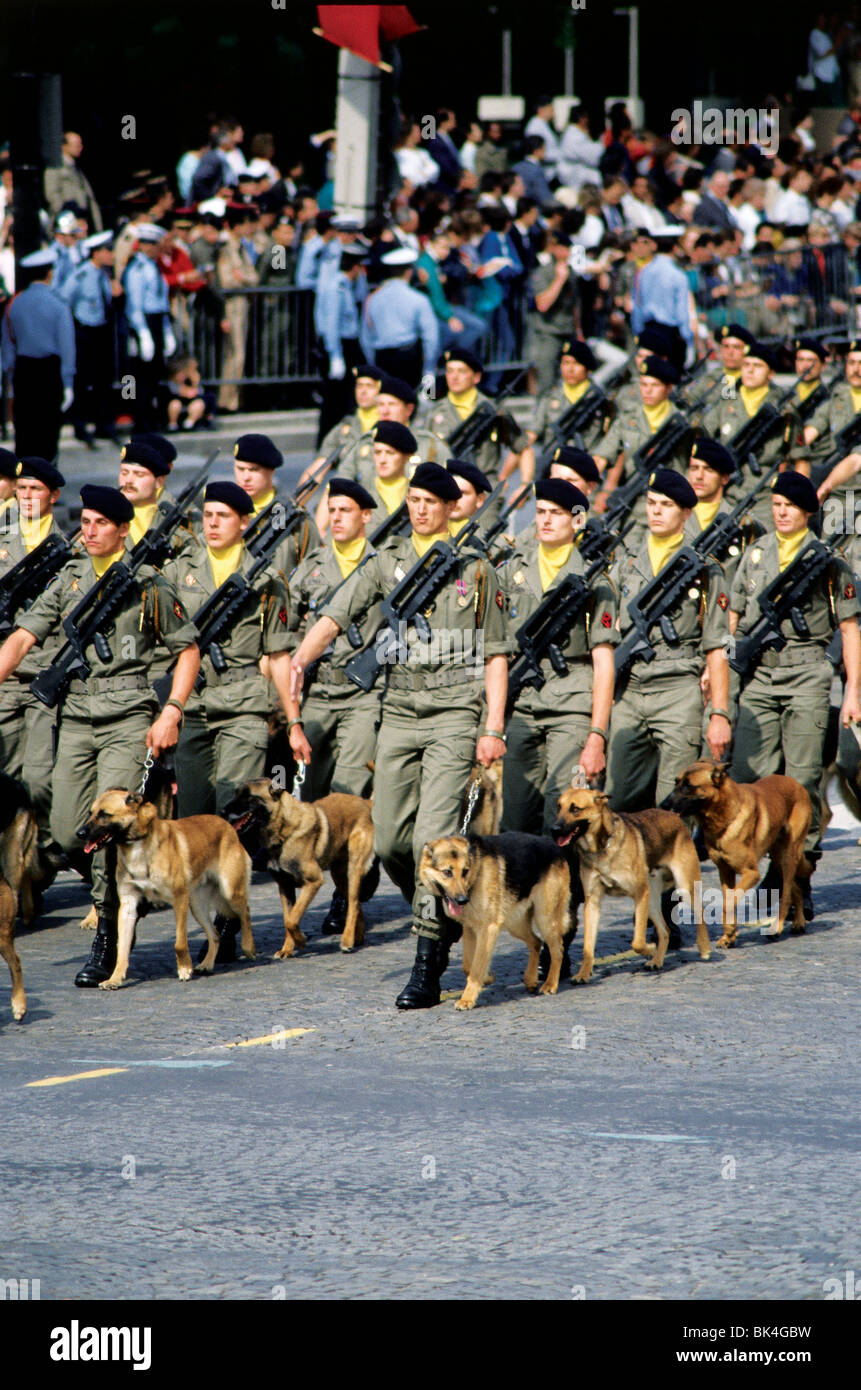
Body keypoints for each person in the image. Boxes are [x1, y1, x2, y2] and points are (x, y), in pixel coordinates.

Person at [289, 461, 509, 1010]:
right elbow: (337, 614)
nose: (419, 509)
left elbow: (498, 653)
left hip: (455, 711)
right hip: (400, 709)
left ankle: (427, 964)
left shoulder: (476, 568)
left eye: (430, 501)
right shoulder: (385, 562)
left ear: (449, 506)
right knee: (388, 841)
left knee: (429, 840)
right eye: (412, 500)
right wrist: (300, 659)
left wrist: (493, 728)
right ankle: (451, 902)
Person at [0, 484, 200, 986]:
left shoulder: (148, 582)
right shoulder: (69, 580)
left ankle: (107, 936)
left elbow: (188, 649)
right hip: (76, 716)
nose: (87, 531)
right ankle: (112, 899)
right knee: (69, 831)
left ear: (123, 529)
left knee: (108, 827)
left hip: (129, 714)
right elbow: (23, 636)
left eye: (99, 523)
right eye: (84, 521)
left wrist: (171, 711)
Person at [729, 471, 861, 918]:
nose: (781, 511)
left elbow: (849, 629)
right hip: (761, 676)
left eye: (790, 505)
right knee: (753, 777)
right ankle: (771, 868)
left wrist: (852, 692)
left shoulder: (828, 562)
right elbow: (735, 618)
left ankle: (798, 876)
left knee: (802, 781)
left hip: (807, 673)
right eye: (777, 503)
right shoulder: (755, 555)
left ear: (807, 511)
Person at [606, 468, 731, 814]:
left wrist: (719, 713)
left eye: (666, 505)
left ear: (686, 513)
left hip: (679, 692)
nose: (656, 511)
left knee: (673, 807)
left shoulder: (705, 569)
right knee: (619, 801)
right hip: (629, 692)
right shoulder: (625, 562)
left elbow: (717, 645)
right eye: (651, 503)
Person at [501, 477, 617, 837]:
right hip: (521, 704)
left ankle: (566, 893)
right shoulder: (511, 570)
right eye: (540, 512)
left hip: (572, 705)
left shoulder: (594, 580)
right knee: (516, 818)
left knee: (561, 812)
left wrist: (597, 736)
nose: (546, 520)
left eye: (556, 513)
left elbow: (603, 664)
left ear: (577, 521)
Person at [286, 475, 381, 804]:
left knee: (347, 792)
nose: (337, 517)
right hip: (317, 694)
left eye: (346, 510)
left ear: (366, 515)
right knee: (311, 795)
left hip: (364, 695)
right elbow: (286, 631)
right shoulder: (312, 567)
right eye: (332, 509)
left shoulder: (382, 566)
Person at [0, 456, 66, 839]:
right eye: (21, 488)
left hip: (44, 677)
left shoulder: (69, 547)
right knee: (6, 776)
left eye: (35, 489)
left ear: (53, 495)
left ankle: (39, 847)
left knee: (39, 779)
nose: (26, 496)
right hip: (7, 678)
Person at [702, 341, 806, 525]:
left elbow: (801, 460)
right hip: (729, 492)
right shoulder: (727, 402)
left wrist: (798, 499)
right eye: (746, 365)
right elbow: (704, 441)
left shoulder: (784, 410)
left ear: (771, 373)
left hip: (767, 496)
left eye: (757, 366)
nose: (750, 371)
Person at [593, 355, 690, 542]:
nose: (647, 391)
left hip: (671, 505)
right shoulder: (628, 418)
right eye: (644, 385)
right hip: (633, 502)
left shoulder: (681, 422)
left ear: (668, 388)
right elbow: (603, 454)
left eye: (654, 386)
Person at [0, 248, 75, 462]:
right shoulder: (58, 304)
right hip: (49, 371)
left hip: (24, 370)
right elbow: (67, 346)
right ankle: (44, 486)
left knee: (25, 431)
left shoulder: (15, 303)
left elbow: (8, 343)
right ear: (49, 273)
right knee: (48, 431)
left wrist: (10, 370)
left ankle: (24, 485)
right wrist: (68, 382)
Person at [58, 229, 119, 443]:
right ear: (96, 253)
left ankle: (104, 424)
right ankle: (80, 425)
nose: (111, 255)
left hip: (101, 330)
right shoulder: (81, 274)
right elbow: (65, 299)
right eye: (107, 250)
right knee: (82, 380)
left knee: (103, 379)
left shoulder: (104, 275)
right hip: (84, 331)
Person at [232, 432, 318, 576]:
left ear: (271, 471)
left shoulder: (295, 519)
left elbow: (315, 571)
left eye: (254, 470)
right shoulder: (223, 513)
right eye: (240, 469)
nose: (245, 477)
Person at [523, 339, 609, 473]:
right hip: (554, 465)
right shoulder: (550, 396)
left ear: (588, 367)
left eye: (577, 363)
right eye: (566, 363)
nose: (570, 369)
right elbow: (533, 431)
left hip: (587, 469)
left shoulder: (599, 399)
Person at [360, 247, 440, 387]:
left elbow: (366, 337)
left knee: (387, 403)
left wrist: (372, 363)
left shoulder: (372, 299)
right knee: (411, 401)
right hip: (409, 358)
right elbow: (431, 337)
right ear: (409, 272)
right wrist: (429, 369)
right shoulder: (419, 299)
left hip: (382, 358)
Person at [314, 241, 368, 440]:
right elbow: (331, 325)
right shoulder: (336, 288)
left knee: (347, 400)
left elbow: (361, 295)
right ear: (355, 267)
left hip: (348, 345)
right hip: (339, 347)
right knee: (334, 402)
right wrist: (335, 355)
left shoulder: (347, 285)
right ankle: (326, 445)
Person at [123, 223, 175, 430]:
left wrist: (166, 330)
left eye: (155, 244)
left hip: (156, 320)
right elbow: (134, 305)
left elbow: (160, 301)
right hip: (142, 323)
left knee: (154, 375)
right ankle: (141, 421)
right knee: (141, 376)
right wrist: (143, 333)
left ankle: (152, 419)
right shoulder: (137, 269)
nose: (154, 248)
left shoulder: (155, 266)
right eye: (150, 244)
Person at [216, 203, 259, 414]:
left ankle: (234, 399)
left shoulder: (240, 246)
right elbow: (227, 281)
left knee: (238, 354)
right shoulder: (225, 246)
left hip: (242, 304)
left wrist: (243, 279)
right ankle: (227, 400)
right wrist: (243, 280)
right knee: (235, 354)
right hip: (231, 305)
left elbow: (253, 276)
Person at [529, 233, 581, 392]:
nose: (565, 253)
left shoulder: (571, 273)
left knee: (570, 382)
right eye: (561, 248)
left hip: (568, 331)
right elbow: (543, 304)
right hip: (548, 332)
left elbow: (575, 305)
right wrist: (559, 280)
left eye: (568, 249)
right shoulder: (543, 272)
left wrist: (578, 331)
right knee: (546, 381)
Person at [811, 340, 861, 505]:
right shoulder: (837, 398)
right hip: (839, 494)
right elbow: (813, 428)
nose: (856, 369)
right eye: (852, 362)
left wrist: (827, 485)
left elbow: (857, 459)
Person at [43, 131, 103, 231]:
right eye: (76, 145)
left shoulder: (76, 169)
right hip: (66, 221)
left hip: (82, 220)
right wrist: (67, 216)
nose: (80, 148)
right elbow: (52, 195)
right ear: (64, 146)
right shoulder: (55, 167)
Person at [511, 136, 553, 206]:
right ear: (537, 151)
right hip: (533, 209)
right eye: (544, 149)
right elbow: (545, 199)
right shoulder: (537, 171)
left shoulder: (515, 167)